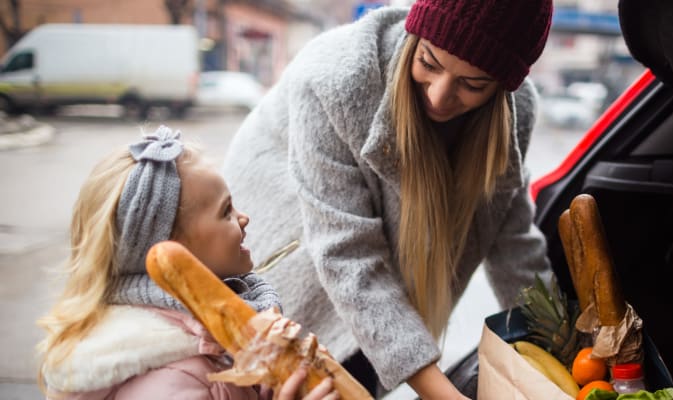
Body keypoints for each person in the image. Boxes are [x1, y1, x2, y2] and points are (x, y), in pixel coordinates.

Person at [222, 0, 555, 398]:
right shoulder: (337, 78)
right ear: (415, 36)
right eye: (428, 62)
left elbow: (513, 240)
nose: (439, 95)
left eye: (473, 85)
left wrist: (561, 343)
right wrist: (445, 394)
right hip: (294, 265)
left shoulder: (516, 112)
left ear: (502, 88)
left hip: (366, 285)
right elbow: (348, 256)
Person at [36, 126, 337, 400]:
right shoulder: (172, 380)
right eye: (226, 211)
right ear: (172, 255)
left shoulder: (220, 334)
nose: (244, 218)